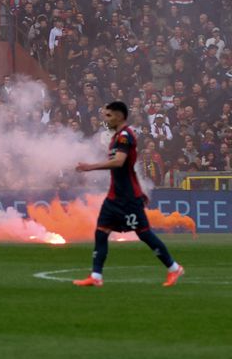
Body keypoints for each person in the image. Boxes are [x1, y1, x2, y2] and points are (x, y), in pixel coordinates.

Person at [72, 101, 183, 287]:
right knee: (101, 232)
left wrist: (90, 167)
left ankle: (174, 268)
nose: (105, 119)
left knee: (144, 234)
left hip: (129, 198)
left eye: (109, 115)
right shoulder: (116, 136)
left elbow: (119, 162)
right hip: (114, 196)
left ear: (119, 116)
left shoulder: (125, 136)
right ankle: (96, 276)